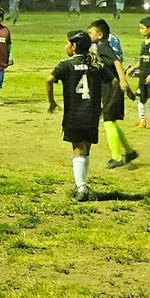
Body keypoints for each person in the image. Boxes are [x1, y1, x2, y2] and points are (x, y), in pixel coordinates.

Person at [47, 30, 104, 202]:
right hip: (92, 113)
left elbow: (49, 79)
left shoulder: (66, 65)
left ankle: (81, 189)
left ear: (73, 46)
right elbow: (113, 81)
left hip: (74, 113)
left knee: (77, 150)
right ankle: (84, 184)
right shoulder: (96, 65)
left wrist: (51, 101)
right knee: (86, 149)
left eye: (66, 43)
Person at [88, 19, 138, 169]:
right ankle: (129, 152)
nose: (89, 35)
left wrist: (123, 82)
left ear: (100, 34)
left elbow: (117, 62)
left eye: (91, 32)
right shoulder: (99, 47)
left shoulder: (104, 47)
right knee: (111, 121)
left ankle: (116, 157)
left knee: (108, 121)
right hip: (109, 87)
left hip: (112, 87)